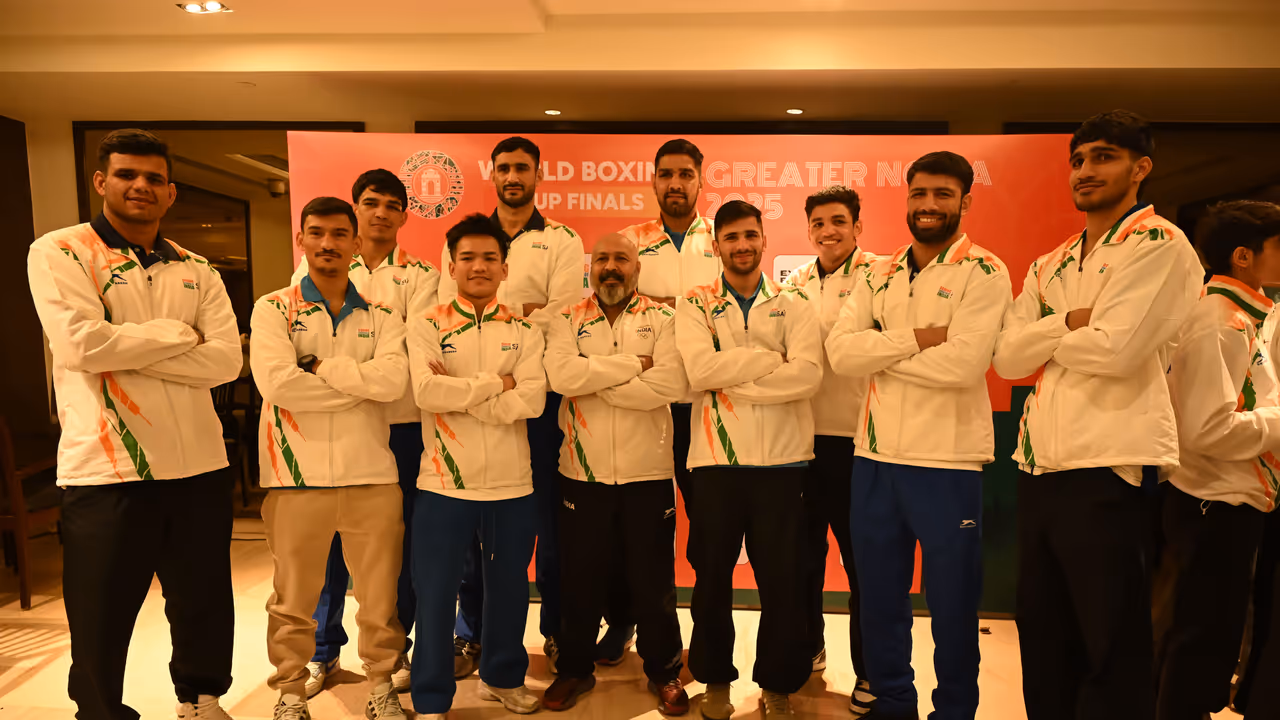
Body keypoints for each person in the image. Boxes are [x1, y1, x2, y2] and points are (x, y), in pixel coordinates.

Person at [991, 110, 1202, 720]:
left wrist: (1046, 334)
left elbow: (1117, 351)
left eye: (1103, 157)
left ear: (1140, 169)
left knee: (1110, 640)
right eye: (1078, 160)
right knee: (1043, 630)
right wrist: (1070, 322)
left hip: (1108, 466)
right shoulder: (1052, 261)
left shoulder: (1159, 244)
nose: (1086, 171)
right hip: (1039, 467)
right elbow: (1006, 358)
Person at [27, 128, 242, 720]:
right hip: (105, 469)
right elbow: (79, 344)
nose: (140, 186)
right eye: (126, 175)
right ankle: (98, 711)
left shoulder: (196, 267)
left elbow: (226, 359)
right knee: (100, 609)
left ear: (170, 193)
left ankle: (201, 699)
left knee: (202, 599)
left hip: (197, 462)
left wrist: (126, 348)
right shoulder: (60, 251)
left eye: (153, 178)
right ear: (102, 182)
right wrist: (179, 336)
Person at [827, 151, 1012, 720]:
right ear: (906, 199)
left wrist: (881, 350)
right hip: (875, 457)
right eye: (919, 194)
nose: (928, 205)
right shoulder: (877, 272)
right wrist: (920, 338)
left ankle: (954, 709)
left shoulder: (986, 270)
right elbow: (840, 352)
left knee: (953, 603)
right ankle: (892, 702)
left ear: (964, 202)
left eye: (942, 194)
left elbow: (963, 364)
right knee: (880, 598)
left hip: (947, 462)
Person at [250, 196, 409, 720]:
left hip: (372, 474)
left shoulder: (382, 314)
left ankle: (381, 686)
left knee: (380, 599)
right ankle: (291, 692)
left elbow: (391, 383)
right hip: (296, 475)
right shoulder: (274, 307)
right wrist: (356, 385)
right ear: (302, 240)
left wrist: (317, 369)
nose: (327, 244)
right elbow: (277, 384)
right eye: (316, 233)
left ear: (356, 244)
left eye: (340, 234)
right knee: (293, 600)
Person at [291, 169, 439, 696]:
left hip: (401, 429)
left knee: (392, 549)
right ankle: (321, 654)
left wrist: (333, 367)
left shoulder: (423, 276)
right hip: (330, 428)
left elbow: (410, 353)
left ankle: (395, 651)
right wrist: (367, 371)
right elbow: (296, 355)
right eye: (370, 203)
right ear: (356, 212)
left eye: (391, 205)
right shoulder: (314, 266)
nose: (380, 212)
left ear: (404, 214)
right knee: (325, 544)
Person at [438, 138, 582, 676]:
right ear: (491, 174)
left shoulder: (561, 240)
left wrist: (496, 316)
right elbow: (448, 312)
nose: (513, 176)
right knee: (476, 519)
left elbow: (562, 315)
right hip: (473, 393)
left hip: (539, 399)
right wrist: (522, 315)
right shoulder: (465, 239)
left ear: (538, 174)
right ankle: (470, 633)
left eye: (523, 167)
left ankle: (558, 632)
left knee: (546, 523)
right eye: (504, 168)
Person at [676, 200, 822, 719]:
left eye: (750, 236)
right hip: (715, 464)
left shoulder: (795, 302)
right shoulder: (695, 303)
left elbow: (807, 376)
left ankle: (777, 684)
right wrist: (768, 361)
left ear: (764, 240)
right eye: (731, 237)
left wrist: (730, 378)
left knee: (782, 582)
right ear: (716, 245)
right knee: (711, 578)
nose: (742, 245)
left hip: (783, 466)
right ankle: (715, 678)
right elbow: (696, 372)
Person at [540, 233, 690, 715]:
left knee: (653, 582)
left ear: (636, 268)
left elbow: (670, 382)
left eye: (620, 259)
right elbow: (562, 378)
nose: (610, 267)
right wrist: (633, 367)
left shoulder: (664, 318)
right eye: (602, 258)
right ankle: (574, 670)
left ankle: (664, 672)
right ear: (591, 268)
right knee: (579, 578)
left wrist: (596, 378)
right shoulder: (566, 318)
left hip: (647, 474)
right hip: (580, 474)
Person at [409, 213, 546, 719]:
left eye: (490, 257)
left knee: (509, 589)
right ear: (452, 265)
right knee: (437, 594)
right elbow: (426, 392)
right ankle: (430, 697)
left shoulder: (526, 328)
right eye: (467, 257)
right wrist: (498, 383)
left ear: (505, 268)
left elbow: (532, 400)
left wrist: (464, 391)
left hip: (512, 483)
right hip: (443, 482)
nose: (479, 266)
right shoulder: (425, 324)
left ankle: (504, 678)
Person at [1155, 200, 1280, 720]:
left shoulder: (1244, 313)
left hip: (1230, 499)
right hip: (1213, 500)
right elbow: (1207, 429)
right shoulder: (1220, 320)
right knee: (1201, 634)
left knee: (1211, 630)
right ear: (1244, 256)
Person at [608, 139, 721, 662]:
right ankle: (625, 622)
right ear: (653, 181)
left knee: (707, 530)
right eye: (666, 174)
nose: (675, 183)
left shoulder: (722, 242)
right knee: (631, 528)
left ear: (702, 180)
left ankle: (703, 636)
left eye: (686, 174)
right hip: (644, 404)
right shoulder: (629, 243)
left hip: (707, 408)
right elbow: (616, 319)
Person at [782, 185, 878, 716]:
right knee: (800, 559)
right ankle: (807, 648)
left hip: (860, 441)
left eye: (839, 221)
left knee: (863, 563)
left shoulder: (881, 276)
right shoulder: (793, 285)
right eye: (818, 223)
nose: (828, 231)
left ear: (857, 226)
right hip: (799, 441)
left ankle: (869, 670)